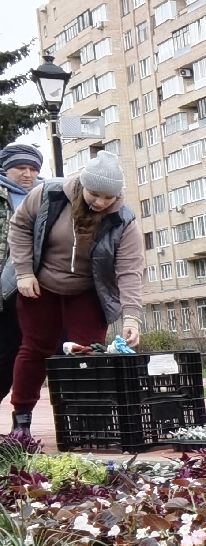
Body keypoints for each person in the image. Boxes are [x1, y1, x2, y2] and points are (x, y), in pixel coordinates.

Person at [4, 151, 142, 438]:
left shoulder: (123, 220)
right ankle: (22, 419)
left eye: (109, 197)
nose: (100, 202)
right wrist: (24, 272)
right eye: (95, 194)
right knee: (35, 349)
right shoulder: (49, 195)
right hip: (40, 285)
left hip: (87, 290)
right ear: (82, 184)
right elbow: (19, 227)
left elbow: (129, 270)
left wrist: (132, 316)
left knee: (89, 352)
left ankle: (88, 421)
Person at [0, 143, 43, 407]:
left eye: (33, 169)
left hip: (38, 289)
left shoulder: (47, 194)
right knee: (5, 353)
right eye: (20, 168)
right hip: (5, 291)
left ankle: (23, 420)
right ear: (6, 169)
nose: (27, 174)